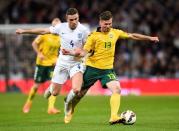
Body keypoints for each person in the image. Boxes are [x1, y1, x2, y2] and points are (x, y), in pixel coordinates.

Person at [62, 11, 159, 124]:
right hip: (91, 68)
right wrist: (71, 53)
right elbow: (84, 52)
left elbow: (132, 35)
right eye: (105, 24)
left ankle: (113, 116)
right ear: (100, 22)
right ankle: (71, 109)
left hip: (107, 70)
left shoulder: (115, 33)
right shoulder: (93, 36)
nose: (108, 26)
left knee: (117, 89)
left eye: (110, 23)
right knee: (79, 94)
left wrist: (149, 38)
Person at [16, 8, 90, 116]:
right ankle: (50, 89)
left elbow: (87, 50)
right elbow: (42, 31)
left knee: (77, 89)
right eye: (71, 20)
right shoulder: (61, 28)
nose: (74, 22)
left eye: (76, 19)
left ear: (78, 17)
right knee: (55, 92)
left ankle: (66, 104)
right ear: (66, 19)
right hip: (61, 63)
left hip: (75, 63)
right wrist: (24, 31)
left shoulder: (83, 30)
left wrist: (80, 52)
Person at [22, 18, 61, 114]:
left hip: (52, 64)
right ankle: (28, 102)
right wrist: (39, 53)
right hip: (41, 64)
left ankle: (51, 108)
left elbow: (62, 50)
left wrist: (58, 59)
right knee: (36, 86)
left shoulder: (61, 37)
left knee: (54, 84)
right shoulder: (45, 34)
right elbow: (34, 43)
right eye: (55, 26)